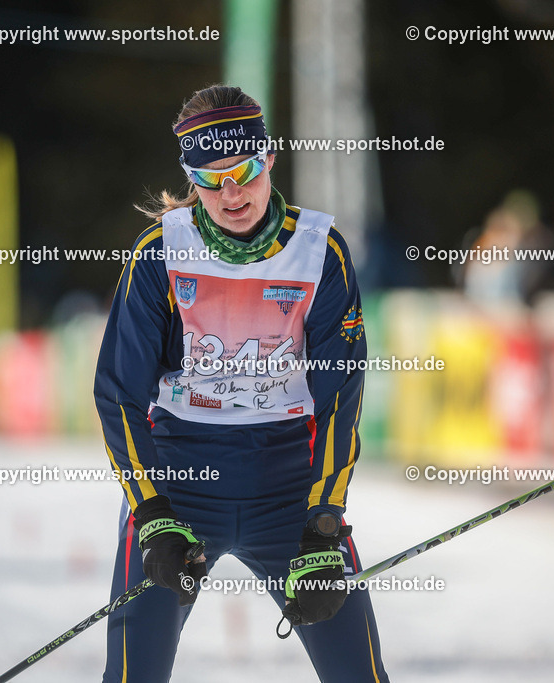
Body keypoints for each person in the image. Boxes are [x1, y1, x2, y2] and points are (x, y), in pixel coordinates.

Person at [94, 84, 388, 682]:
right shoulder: (160, 253)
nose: (232, 194)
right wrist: (151, 512)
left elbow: (340, 395)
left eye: (245, 170)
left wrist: (324, 523)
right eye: (211, 178)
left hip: (289, 492)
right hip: (179, 488)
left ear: (269, 159)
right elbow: (119, 393)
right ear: (191, 178)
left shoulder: (320, 253)